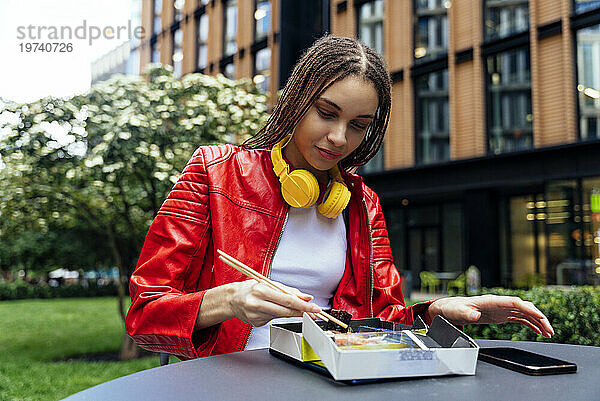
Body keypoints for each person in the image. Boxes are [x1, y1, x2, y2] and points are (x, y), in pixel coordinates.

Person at [125, 35, 553, 360]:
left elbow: (382, 320)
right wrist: (229, 300)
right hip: (227, 383)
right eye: (327, 114)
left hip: (331, 380)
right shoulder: (215, 172)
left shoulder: (361, 202)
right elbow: (144, 316)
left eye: (358, 125)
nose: (338, 138)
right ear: (296, 101)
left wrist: (440, 311)